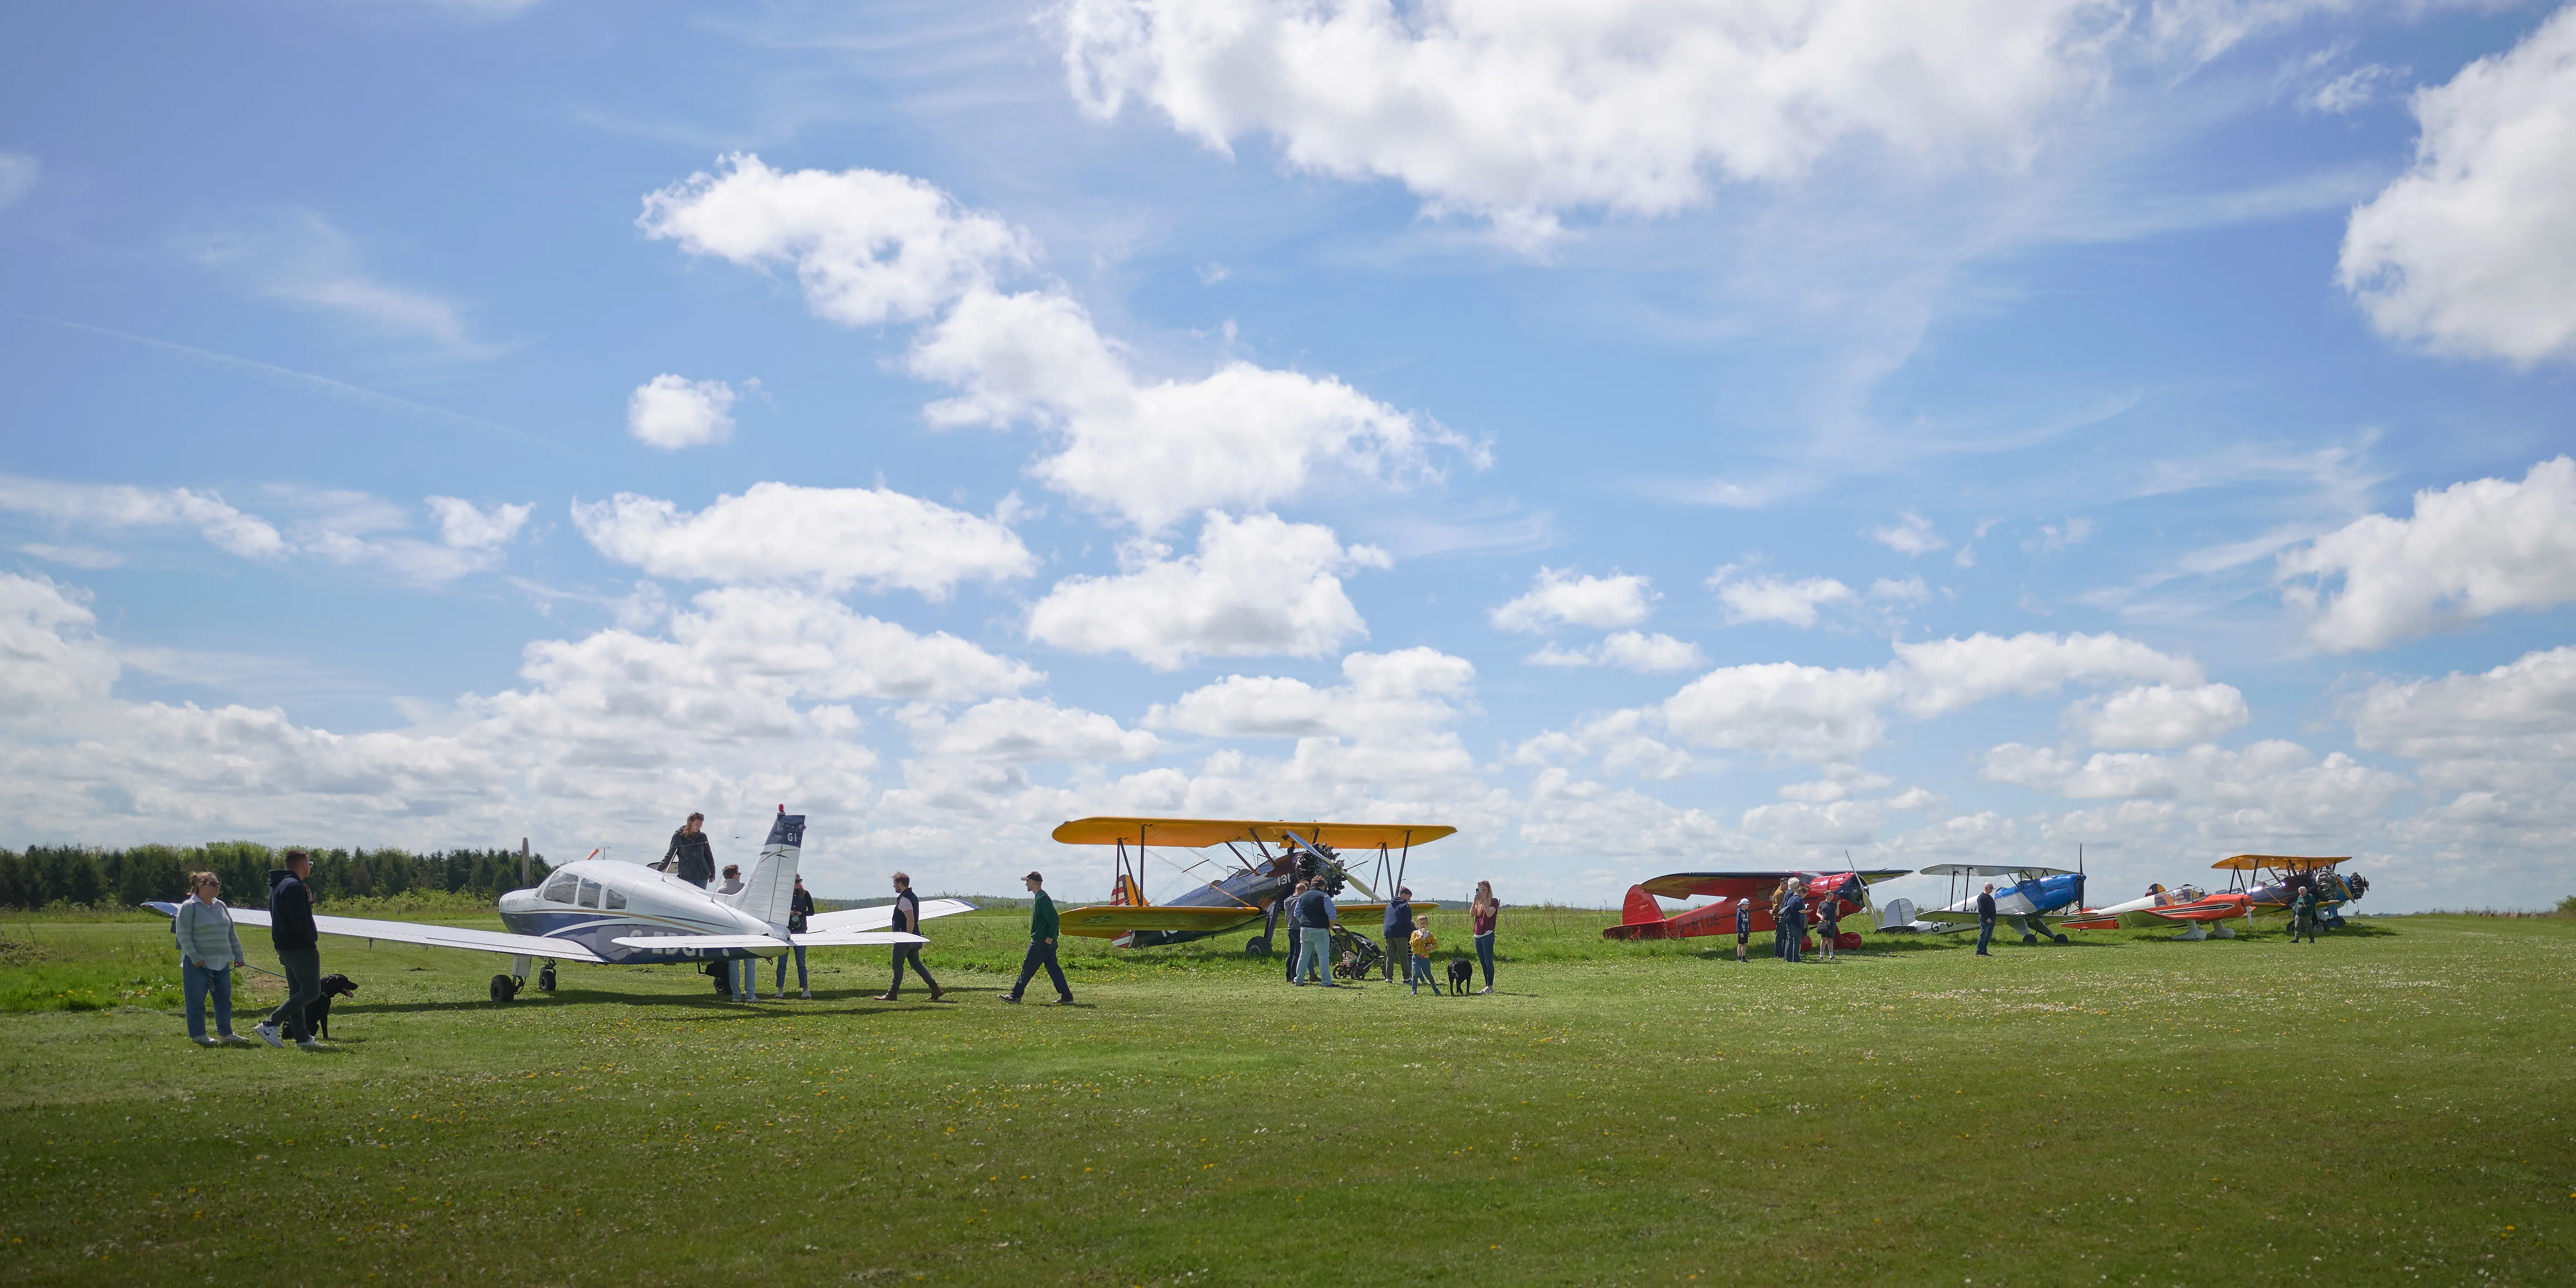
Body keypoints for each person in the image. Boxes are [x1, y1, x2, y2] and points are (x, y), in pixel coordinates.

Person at [255, 849, 328, 1051]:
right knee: (312, 991)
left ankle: (303, 1038)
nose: (310, 868)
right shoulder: (294, 886)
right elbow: (299, 920)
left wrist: (309, 902)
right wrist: (310, 939)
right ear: (304, 865)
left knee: (297, 993)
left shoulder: (279, 884)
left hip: (284, 946)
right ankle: (270, 1024)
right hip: (300, 948)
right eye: (310, 864)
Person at [174, 871, 249, 1046]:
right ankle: (198, 1034)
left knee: (224, 1000)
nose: (218, 887)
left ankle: (226, 1033)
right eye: (213, 884)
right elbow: (183, 935)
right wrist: (195, 957)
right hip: (198, 964)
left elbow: (231, 933)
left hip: (222, 962)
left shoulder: (221, 906)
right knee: (196, 1000)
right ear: (201, 886)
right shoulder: (189, 907)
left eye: (218, 883)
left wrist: (239, 956)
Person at [1001, 872, 1073, 1005]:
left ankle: (1015, 996)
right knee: (1053, 969)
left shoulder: (1042, 898)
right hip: (1045, 942)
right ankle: (1067, 997)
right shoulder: (1040, 897)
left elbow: (1054, 919)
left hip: (1041, 941)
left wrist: (1051, 937)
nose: (1026, 884)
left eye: (1028, 881)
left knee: (1027, 968)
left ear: (1033, 883)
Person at [877, 871, 943, 1002]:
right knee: (916, 964)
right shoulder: (912, 897)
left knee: (897, 965)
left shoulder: (905, 899)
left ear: (900, 884)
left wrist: (906, 938)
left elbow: (910, 919)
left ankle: (892, 993)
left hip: (905, 938)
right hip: (914, 937)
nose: (894, 887)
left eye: (895, 884)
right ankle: (935, 988)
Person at [775, 875, 814, 998]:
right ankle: (780, 990)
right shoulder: (784, 895)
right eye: (796, 881)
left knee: (801, 962)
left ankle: (806, 990)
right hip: (786, 931)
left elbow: (812, 911)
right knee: (782, 962)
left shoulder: (805, 894)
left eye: (799, 881)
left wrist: (802, 914)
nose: (798, 883)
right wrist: (789, 913)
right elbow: (777, 911)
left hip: (801, 931)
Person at [1294, 879, 1337, 986]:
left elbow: (1297, 913)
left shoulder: (1302, 897)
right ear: (1322, 886)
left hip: (1304, 929)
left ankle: (1299, 981)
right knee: (1323, 956)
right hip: (1320, 928)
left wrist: (1304, 923)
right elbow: (1332, 915)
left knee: (1303, 956)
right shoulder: (1325, 897)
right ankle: (1326, 981)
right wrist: (1330, 927)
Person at [664, 812, 716, 888]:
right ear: (690, 822)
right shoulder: (678, 836)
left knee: (699, 898)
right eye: (697, 824)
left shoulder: (702, 837)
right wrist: (657, 871)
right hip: (687, 875)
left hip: (702, 875)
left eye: (701, 825)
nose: (698, 827)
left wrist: (713, 874)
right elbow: (670, 856)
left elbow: (709, 856)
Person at [1469, 881, 1499, 994]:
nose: (1482, 892)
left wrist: (1485, 902)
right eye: (1480, 890)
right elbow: (1472, 914)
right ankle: (1487, 985)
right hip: (1478, 934)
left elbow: (1490, 913)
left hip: (1488, 934)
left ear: (1489, 891)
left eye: (1484, 890)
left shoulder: (1494, 902)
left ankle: (1490, 986)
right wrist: (1475, 902)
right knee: (1482, 961)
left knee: (1488, 961)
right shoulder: (1478, 903)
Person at [1381, 887, 1417, 983]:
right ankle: (1407, 978)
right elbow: (1408, 922)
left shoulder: (1389, 906)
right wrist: (1414, 932)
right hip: (1400, 933)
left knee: (1390, 955)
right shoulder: (1405, 906)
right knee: (1404, 955)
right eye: (1409, 897)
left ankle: (1389, 978)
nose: (1410, 899)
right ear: (1404, 895)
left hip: (1388, 932)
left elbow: (1385, 920)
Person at [1408, 915, 1441, 994]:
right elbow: (1412, 943)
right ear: (1418, 925)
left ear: (1427, 924)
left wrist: (1431, 947)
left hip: (1425, 958)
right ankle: (1414, 990)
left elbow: (1436, 945)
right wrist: (1419, 939)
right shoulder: (1415, 934)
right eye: (1421, 924)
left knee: (1428, 974)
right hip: (1416, 957)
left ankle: (1435, 988)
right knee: (1415, 974)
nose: (1423, 926)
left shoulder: (1429, 935)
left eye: (1425, 924)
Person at [1281, 887, 1304, 985]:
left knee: (1292, 952)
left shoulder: (1287, 901)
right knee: (1297, 953)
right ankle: (1294, 976)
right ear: (1303, 891)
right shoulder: (1299, 900)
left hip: (1290, 928)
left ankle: (1288, 976)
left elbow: (1286, 917)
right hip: (1298, 929)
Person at [1781, 884, 1806, 964]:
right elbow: (1800, 910)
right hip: (1796, 922)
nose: (1805, 897)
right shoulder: (1799, 900)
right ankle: (1796, 958)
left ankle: (1788, 957)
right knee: (1797, 941)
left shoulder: (1791, 898)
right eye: (1805, 895)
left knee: (1790, 939)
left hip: (1789, 922)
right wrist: (1807, 911)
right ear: (1802, 892)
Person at [1817, 886, 1841, 962]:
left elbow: (1837, 914)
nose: (1832, 896)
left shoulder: (1834, 904)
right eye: (1830, 895)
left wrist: (1838, 905)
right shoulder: (1822, 903)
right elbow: (1818, 913)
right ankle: (1821, 956)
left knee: (1830, 940)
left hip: (1832, 924)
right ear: (1826, 896)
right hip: (1824, 924)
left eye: (1832, 895)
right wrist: (1821, 917)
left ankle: (1831, 955)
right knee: (1824, 939)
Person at [1974, 883, 1998, 957]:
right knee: (1983, 936)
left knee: (1988, 937)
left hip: (1992, 920)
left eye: (1992, 888)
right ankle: (1979, 952)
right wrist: (1987, 918)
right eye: (1991, 888)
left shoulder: (1990, 898)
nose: (1992, 889)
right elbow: (1981, 909)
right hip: (1986, 920)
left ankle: (1984, 951)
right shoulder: (1981, 897)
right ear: (1986, 888)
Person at [1734, 897, 1753, 964]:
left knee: (1745, 945)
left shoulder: (1747, 913)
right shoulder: (1740, 913)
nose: (1748, 906)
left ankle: (1744, 958)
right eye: (1747, 904)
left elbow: (1748, 922)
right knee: (1740, 944)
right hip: (1742, 931)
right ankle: (1739, 959)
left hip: (1746, 931)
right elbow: (1738, 923)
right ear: (1743, 905)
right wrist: (1740, 932)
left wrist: (1749, 931)